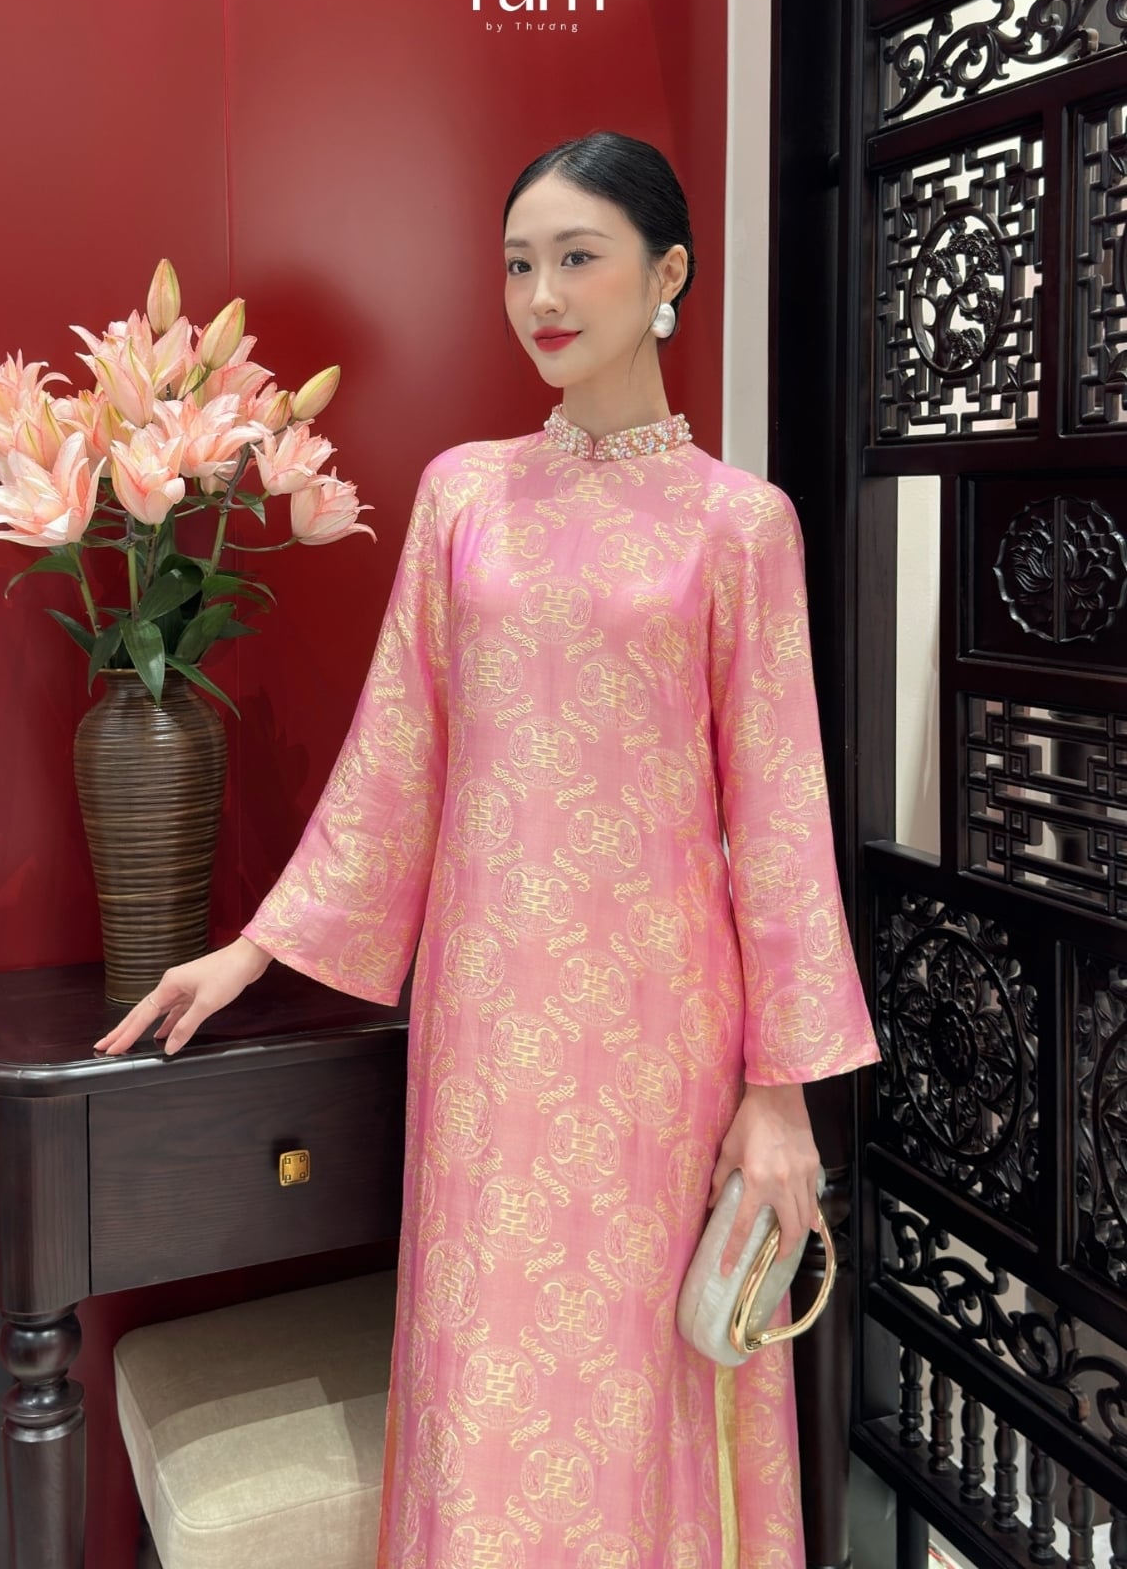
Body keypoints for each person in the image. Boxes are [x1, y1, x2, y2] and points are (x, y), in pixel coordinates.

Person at [97, 130, 879, 1569]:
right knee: (490, 1353)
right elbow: (399, 756)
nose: (542, 297)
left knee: (649, 1364)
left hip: (663, 1033)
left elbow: (778, 818)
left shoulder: (740, 526)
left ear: (670, 275)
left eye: (579, 257)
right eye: (519, 265)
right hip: (490, 1024)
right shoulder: (464, 495)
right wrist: (251, 951)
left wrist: (780, 1099)